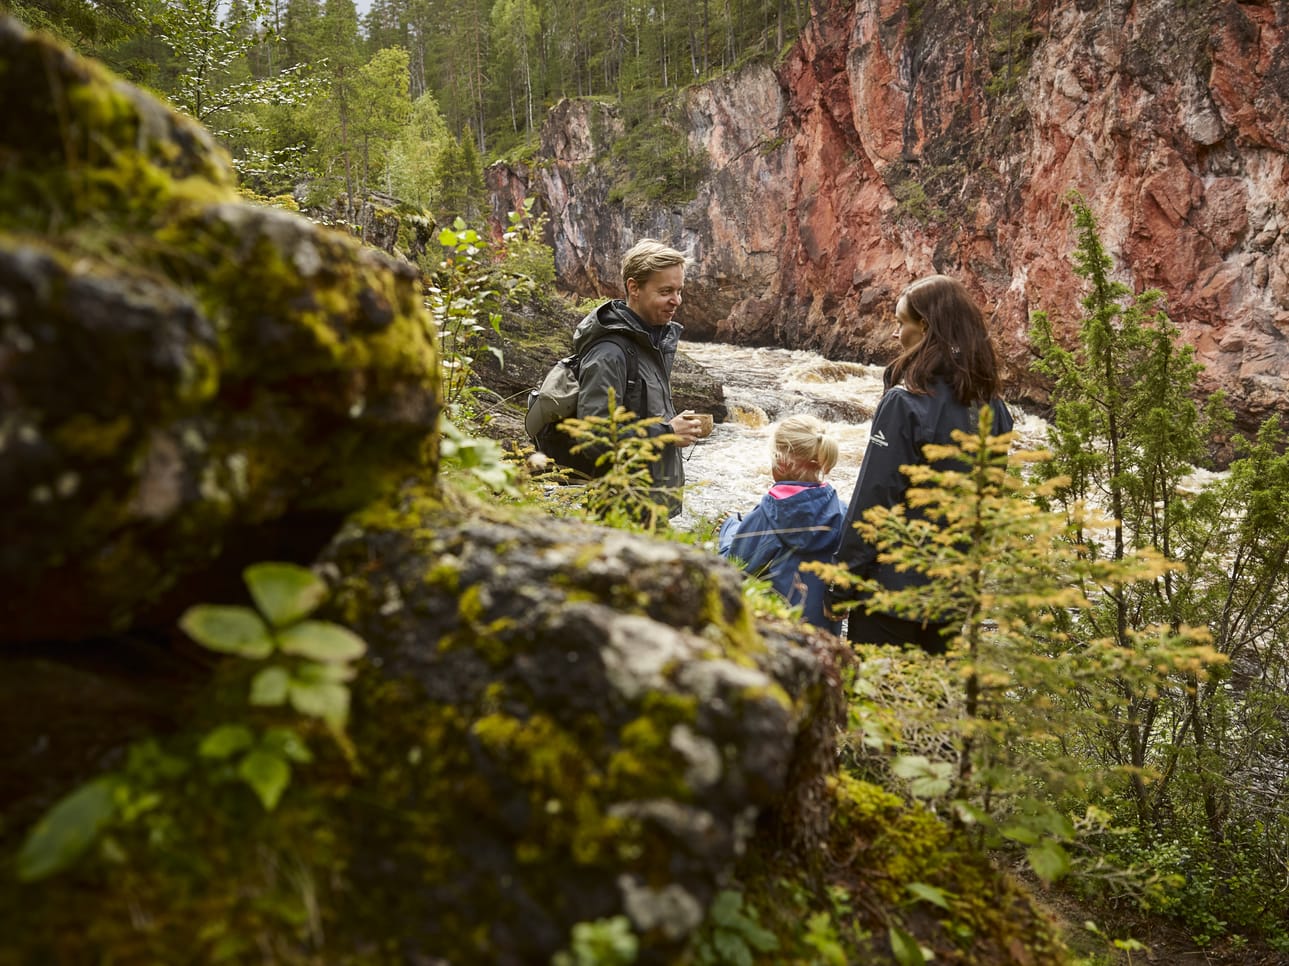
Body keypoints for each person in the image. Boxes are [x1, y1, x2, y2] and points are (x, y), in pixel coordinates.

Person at [836, 274, 1014, 654]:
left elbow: (875, 498)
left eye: (902, 323)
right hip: (952, 595)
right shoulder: (994, 407)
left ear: (926, 328)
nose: (896, 334)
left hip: (889, 595)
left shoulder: (905, 402)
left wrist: (842, 581)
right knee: (930, 708)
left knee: (877, 706)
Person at [572, 239, 704, 517]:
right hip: (620, 513)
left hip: (648, 509)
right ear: (634, 288)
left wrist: (673, 425)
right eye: (666, 291)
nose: (677, 301)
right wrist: (668, 433)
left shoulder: (650, 342)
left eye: (679, 291)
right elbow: (594, 438)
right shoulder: (609, 352)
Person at [719, 414, 847, 633]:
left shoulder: (768, 514)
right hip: (823, 637)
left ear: (782, 461)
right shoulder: (843, 512)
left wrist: (728, 528)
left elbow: (734, 567)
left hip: (777, 633)